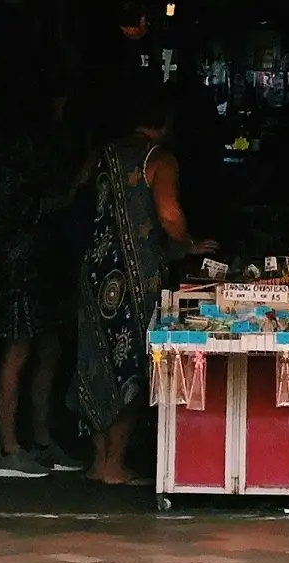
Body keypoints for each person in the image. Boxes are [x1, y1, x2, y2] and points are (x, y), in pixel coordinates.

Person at [75, 83, 211, 487]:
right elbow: (169, 214)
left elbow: (75, 194)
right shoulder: (159, 158)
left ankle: (98, 461)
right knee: (134, 364)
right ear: (165, 124)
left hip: (95, 271)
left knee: (95, 362)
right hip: (136, 278)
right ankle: (115, 464)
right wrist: (188, 244)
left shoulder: (102, 154)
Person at [0, 79, 84, 479]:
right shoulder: (21, 148)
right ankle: (8, 449)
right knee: (18, 351)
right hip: (20, 263)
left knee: (48, 348)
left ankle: (41, 441)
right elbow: (34, 205)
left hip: (40, 261)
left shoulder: (40, 143)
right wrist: (78, 183)